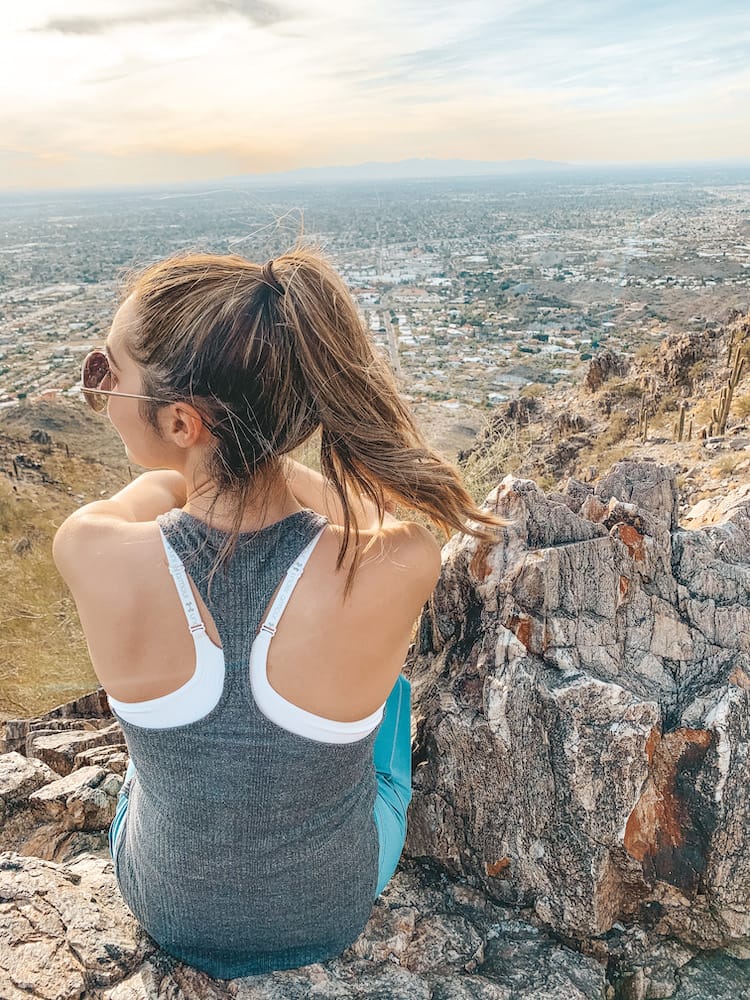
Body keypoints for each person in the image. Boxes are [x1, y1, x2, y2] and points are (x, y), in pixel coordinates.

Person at [53, 248, 506, 979]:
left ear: (180, 424)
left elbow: (161, 499)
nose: (97, 390)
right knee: (388, 695)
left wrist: (209, 469)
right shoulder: (398, 564)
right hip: (331, 909)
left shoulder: (90, 550)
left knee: (152, 766)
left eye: (106, 371)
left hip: (167, 907)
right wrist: (266, 460)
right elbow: (374, 511)